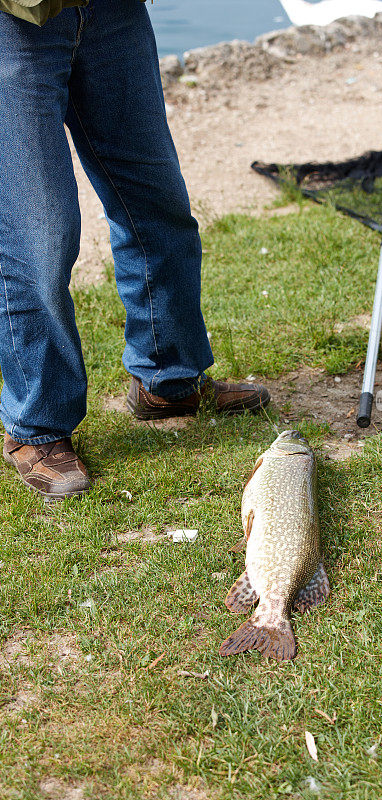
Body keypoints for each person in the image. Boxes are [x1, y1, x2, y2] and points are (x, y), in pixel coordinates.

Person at [0, 0, 270, 502]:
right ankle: (35, 427)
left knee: (156, 203)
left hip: (113, 12)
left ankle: (167, 379)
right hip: (15, 24)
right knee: (39, 238)